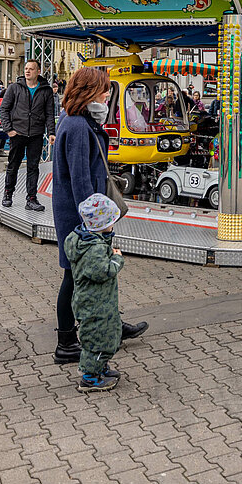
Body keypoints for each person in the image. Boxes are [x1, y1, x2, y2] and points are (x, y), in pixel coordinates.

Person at [51, 66, 146, 366]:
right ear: (88, 92)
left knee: (89, 275)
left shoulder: (77, 120)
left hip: (83, 211)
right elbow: (80, 181)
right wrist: (95, 226)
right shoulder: (77, 125)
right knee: (73, 275)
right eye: (104, 90)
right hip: (81, 215)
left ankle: (110, 326)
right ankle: (66, 341)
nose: (107, 96)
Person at [64, 194, 126, 392]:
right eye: (111, 222)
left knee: (106, 334)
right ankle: (90, 377)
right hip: (94, 304)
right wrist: (117, 260)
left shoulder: (85, 239)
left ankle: (100, 367)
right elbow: (103, 271)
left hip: (98, 302)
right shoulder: (93, 248)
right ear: (101, 224)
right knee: (97, 339)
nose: (113, 226)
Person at [0, 60, 56, 212]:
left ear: (38, 71)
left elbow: (50, 113)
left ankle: (31, 198)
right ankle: (8, 194)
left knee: (33, 167)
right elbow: (3, 109)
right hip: (17, 133)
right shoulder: (15, 88)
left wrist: (51, 132)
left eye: (31, 69)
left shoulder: (46, 90)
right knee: (13, 165)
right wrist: (9, 129)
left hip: (36, 134)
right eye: (26, 69)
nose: (27, 71)